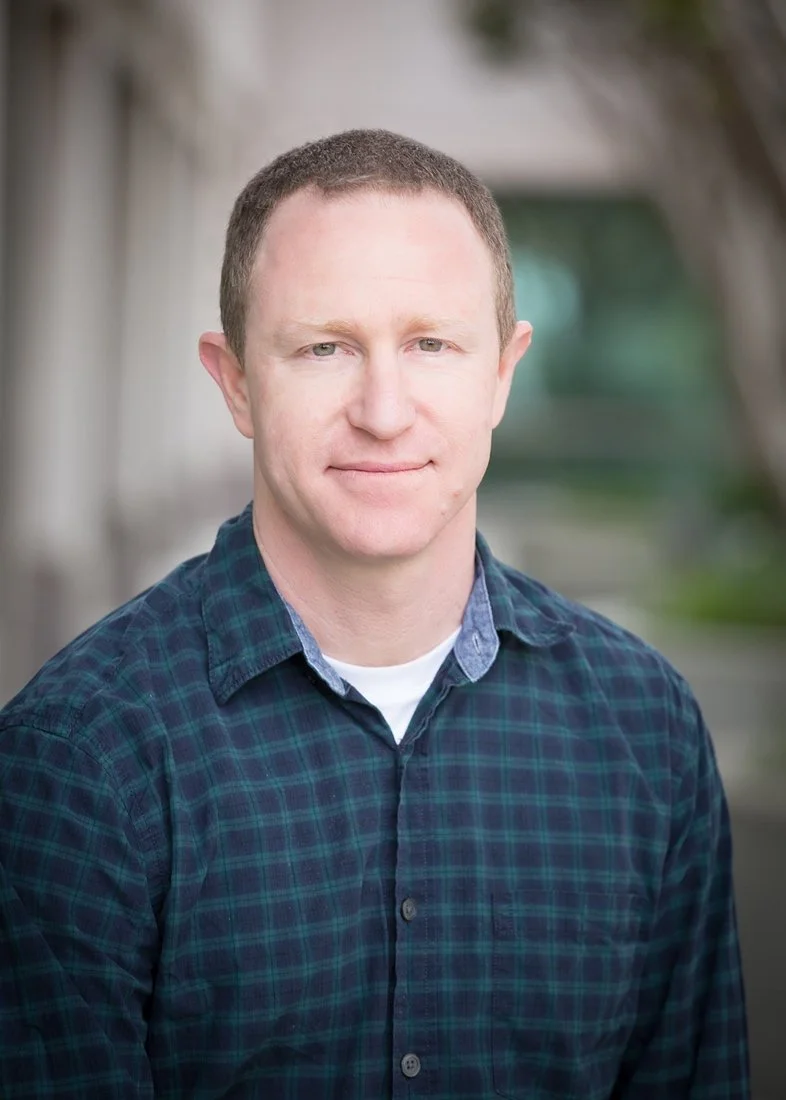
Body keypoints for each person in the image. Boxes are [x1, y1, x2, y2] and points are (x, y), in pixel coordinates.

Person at [0, 129, 749, 1099]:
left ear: (503, 374)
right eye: (325, 348)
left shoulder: (648, 732)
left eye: (431, 344)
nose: (384, 411)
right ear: (236, 382)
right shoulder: (77, 759)